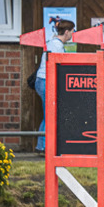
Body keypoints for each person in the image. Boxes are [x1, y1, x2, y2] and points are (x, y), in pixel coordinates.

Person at [33, 19, 74, 153]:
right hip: (46, 81)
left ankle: (42, 145)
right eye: (72, 31)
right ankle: (44, 146)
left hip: (43, 81)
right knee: (50, 115)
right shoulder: (56, 46)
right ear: (66, 32)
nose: (73, 35)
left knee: (48, 115)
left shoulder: (53, 43)